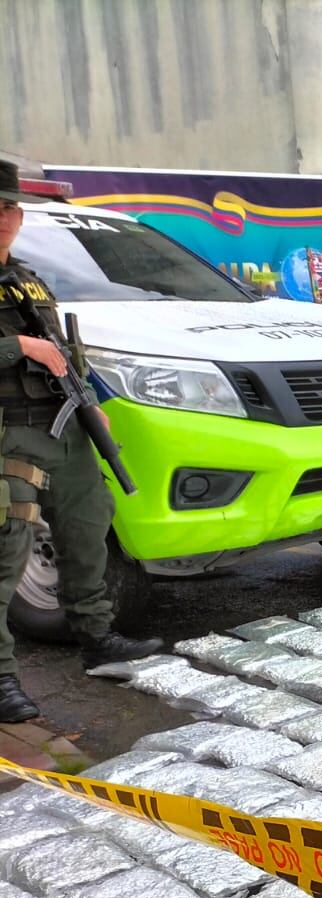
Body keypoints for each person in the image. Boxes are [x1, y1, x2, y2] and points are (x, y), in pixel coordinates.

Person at [0, 161, 160, 722]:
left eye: (9, 208)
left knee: (88, 529)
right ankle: (1, 679)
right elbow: (31, 346)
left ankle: (97, 640)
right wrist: (18, 346)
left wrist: (96, 404)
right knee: (7, 552)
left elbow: (66, 350)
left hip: (62, 425)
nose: (3, 218)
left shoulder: (25, 276)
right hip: (8, 434)